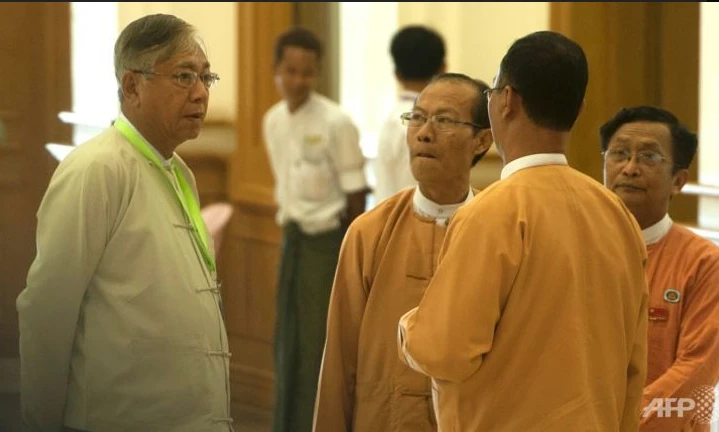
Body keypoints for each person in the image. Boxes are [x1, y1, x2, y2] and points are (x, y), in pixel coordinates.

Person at [397, 31, 649, 431]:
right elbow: (634, 366)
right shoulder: (616, 215)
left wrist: (411, 325)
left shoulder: (492, 213)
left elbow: (444, 351)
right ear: (579, 109)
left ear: (507, 100)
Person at [16, 13, 232, 432]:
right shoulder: (96, 169)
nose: (201, 93)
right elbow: (47, 310)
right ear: (132, 86)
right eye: (184, 76)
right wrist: (42, 422)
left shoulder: (179, 171)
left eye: (206, 77)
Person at [313, 73, 493, 432]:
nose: (424, 132)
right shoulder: (370, 232)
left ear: (482, 140)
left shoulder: (496, 233)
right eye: (417, 117)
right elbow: (338, 362)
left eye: (444, 120)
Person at [262, 27, 369, 432]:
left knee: (318, 345)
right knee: (286, 340)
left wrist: (351, 257)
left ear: (317, 73)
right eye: (290, 71)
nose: (298, 80)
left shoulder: (336, 122)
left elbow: (356, 194)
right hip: (292, 241)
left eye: (307, 72)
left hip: (327, 247)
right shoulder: (273, 121)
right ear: (276, 70)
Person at [600, 106, 719, 431]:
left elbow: (696, 370)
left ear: (678, 181)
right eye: (619, 154)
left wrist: (622, 422)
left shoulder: (704, 263)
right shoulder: (573, 249)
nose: (630, 169)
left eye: (649, 157)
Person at [373, 25, 446, 203]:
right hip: (409, 216)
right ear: (443, 69)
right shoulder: (430, 126)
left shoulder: (391, 118)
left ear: (396, 74)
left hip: (385, 213)